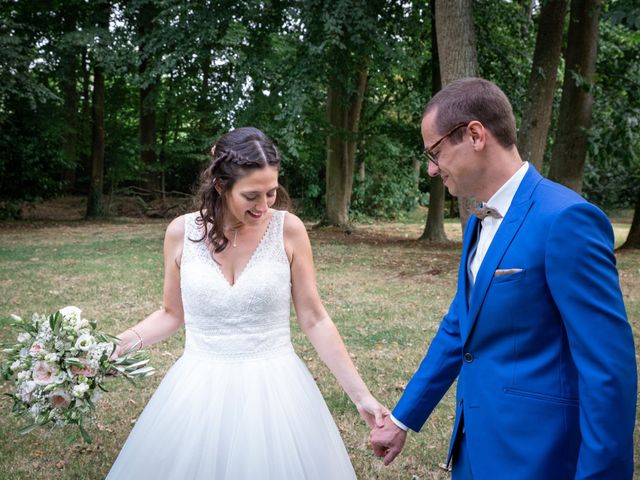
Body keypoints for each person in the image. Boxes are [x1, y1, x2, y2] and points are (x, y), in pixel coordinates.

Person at [370, 78, 637, 479]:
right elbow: (461, 325)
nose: (430, 167)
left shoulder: (565, 220)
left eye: (435, 151)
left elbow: (608, 369)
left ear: (475, 134)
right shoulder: (480, 221)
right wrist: (404, 418)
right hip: (475, 449)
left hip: (538, 457)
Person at [106, 127, 386, 479]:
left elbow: (314, 319)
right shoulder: (180, 232)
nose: (264, 206)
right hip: (197, 389)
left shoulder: (290, 230)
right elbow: (170, 314)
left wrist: (361, 396)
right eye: (252, 195)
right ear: (221, 186)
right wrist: (115, 346)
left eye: (272, 193)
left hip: (276, 392)